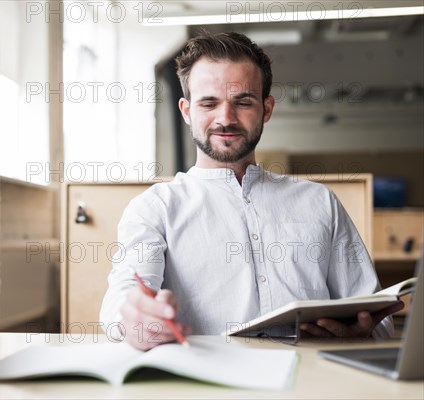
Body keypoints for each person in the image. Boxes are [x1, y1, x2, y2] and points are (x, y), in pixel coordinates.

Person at [100, 31, 401, 351]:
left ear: (266, 109)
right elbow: (121, 304)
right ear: (187, 111)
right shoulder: (154, 208)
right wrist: (133, 317)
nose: (225, 119)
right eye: (209, 103)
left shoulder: (319, 202)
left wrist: (361, 331)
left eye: (242, 102)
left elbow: (379, 319)